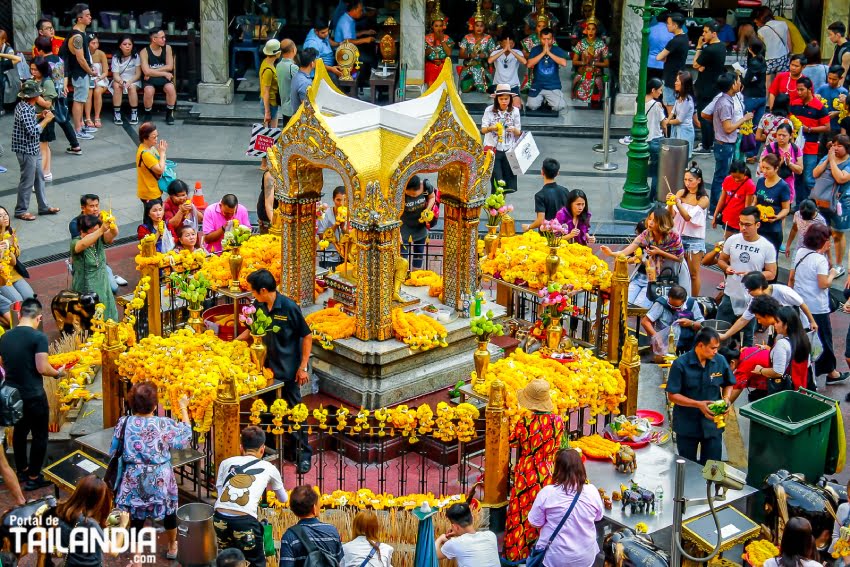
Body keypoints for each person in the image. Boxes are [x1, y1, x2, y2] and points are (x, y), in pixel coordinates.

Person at [239, 270, 313, 473]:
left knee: (294, 413)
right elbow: (250, 328)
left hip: (288, 371)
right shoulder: (258, 305)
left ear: (263, 290)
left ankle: (303, 455)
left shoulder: (288, 307)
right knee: (266, 413)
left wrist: (302, 367)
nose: (253, 296)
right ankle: (269, 450)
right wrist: (234, 344)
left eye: (254, 292)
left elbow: (306, 336)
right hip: (265, 370)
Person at [111, 382, 191, 560]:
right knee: (169, 511)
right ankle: (172, 547)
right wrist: (183, 408)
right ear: (155, 405)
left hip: (134, 478)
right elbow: (184, 438)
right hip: (161, 478)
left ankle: (137, 556)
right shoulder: (164, 424)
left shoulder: (124, 423)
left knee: (135, 516)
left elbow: (113, 450)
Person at [0, 298, 65, 490]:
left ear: (19, 316)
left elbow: (3, 363)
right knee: (39, 435)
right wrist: (58, 373)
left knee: (20, 433)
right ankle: (34, 476)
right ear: (38, 317)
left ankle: (22, 470)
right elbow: (42, 367)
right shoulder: (38, 337)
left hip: (13, 396)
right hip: (34, 395)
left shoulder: (5, 337)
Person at [503, 379, 564, 562]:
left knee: (520, 513)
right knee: (542, 511)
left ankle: (517, 554)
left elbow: (512, 441)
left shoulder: (526, 420)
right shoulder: (558, 421)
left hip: (526, 472)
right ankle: (538, 552)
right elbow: (557, 445)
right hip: (546, 471)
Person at [214, 426, 287, 567]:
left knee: (227, 560)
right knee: (256, 562)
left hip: (219, 517)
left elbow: (219, 492)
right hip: (245, 521)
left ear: (241, 448)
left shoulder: (226, 463)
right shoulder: (270, 468)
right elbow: (283, 499)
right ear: (262, 449)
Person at [789, 223, 850, 384]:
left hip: (801, 303)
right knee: (824, 339)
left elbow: (793, 276)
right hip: (818, 307)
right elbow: (823, 283)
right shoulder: (820, 260)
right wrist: (832, 274)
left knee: (803, 337)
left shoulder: (801, 252)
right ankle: (830, 372)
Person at [666, 327, 734, 464]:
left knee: (712, 466)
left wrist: (726, 399)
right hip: (687, 425)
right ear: (700, 345)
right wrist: (698, 404)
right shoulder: (681, 364)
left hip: (713, 425)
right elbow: (672, 395)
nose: (716, 351)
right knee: (687, 466)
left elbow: (729, 383)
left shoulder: (720, 361)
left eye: (717, 348)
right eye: (712, 348)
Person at [526, 448, 603, 567]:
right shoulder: (592, 491)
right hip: (585, 558)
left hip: (555, 558)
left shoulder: (547, 493)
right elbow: (598, 517)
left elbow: (535, 522)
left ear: (558, 470)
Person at [601, 205, 688, 308]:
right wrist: (612, 253)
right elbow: (630, 248)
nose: (650, 222)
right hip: (651, 273)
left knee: (647, 306)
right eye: (650, 219)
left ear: (662, 223)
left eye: (654, 221)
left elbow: (680, 258)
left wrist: (659, 252)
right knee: (624, 303)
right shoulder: (647, 233)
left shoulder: (673, 235)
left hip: (669, 272)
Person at [716, 206, 778, 346]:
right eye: (741, 223)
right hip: (729, 295)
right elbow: (721, 260)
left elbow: (771, 273)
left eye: (748, 225)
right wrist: (727, 267)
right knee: (720, 331)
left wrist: (753, 275)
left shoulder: (766, 247)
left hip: (751, 299)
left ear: (757, 225)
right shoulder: (733, 240)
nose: (743, 228)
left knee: (747, 337)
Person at [719, 271, 817, 342]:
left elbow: (802, 304)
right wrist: (725, 335)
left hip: (797, 324)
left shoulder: (783, 292)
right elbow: (743, 320)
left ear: (760, 287)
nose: (749, 293)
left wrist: (812, 321)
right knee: (773, 343)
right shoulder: (756, 300)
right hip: (776, 326)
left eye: (750, 290)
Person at [56, 475, 130, 565]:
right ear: (96, 500)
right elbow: (113, 551)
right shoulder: (89, 524)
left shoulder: (62, 509)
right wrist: (122, 525)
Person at [12, 80, 59, 222]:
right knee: (27, 181)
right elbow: (33, 131)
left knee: (39, 177)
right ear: (33, 97)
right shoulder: (26, 109)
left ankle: (43, 207)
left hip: (33, 148)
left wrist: (40, 116)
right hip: (26, 150)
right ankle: (21, 210)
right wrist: (46, 120)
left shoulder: (25, 106)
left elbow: (29, 120)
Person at [710, 73, 754, 213]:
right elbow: (728, 128)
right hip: (724, 145)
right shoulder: (724, 103)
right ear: (732, 85)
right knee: (721, 177)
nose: (739, 83)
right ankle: (714, 208)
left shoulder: (729, 100)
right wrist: (744, 119)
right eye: (737, 81)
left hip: (726, 144)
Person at [32, 36, 81, 156]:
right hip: (60, 94)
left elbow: (43, 79)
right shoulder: (59, 59)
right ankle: (75, 146)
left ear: (39, 50)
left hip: (49, 95)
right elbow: (64, 75)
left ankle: (44, 147)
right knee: (64, 120)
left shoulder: (44, 62)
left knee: (46, 118)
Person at [811, 134, 850, 278]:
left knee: (838, 234)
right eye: (834, 145)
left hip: (841, 203)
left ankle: (839, 265)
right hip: (822, 201)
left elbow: (841, 178)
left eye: (840, 146)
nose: (836, 148)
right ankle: (828, 261)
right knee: (823, 231)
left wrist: (832, 161)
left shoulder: (848, 163)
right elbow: (815, 173)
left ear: (847, 148)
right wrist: (828, 158)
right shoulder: (827, 157)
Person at [668, 163, 709, 295]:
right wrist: (670, 204)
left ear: (698, 180)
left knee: (694, 274)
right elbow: (671, 215)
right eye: (685, 180)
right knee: (677, 271)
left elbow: (687, 217)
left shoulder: (703, 199)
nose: (687, 183)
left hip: (694, 239)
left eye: (690, 180)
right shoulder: (680, 193)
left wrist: (678, 203)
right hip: (678, 236)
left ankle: (695, 300)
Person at [69, 194, 125, 289]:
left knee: (113, 288)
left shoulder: (100, 219)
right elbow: (83, 243)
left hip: (99, 261)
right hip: (84, 263)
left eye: (97, 205)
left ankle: (111, 276)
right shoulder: (75, 223)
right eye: (92, 206)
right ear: (83, 208)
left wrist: (112, 227)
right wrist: (101, 229)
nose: (95, 209)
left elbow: (109, 241)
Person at [279, 485, 344, 567]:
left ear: (293, 510)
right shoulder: (332, 532)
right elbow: (340, 562)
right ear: (314, 507)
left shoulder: (289, 536)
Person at [752, 306, 812, 391]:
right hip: (801, 387)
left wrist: (761, 370)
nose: (775, 325)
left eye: (777, 322)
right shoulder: (803, 339)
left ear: (786, 324)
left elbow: (777, 372)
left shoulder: (782, 344)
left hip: (785, 390)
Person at [71, 214, 118, 320]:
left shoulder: (99, 239)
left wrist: (112, 224)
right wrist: (101, 230)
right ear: (82, 232)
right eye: (94, 231)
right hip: (86, 286)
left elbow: (113, 234)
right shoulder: (76, 242)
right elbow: (82, 245)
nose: (97, 234)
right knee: (90, 319)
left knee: (108, 311)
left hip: (102, 282)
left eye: (97, 230)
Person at [792, 76, 831, 203]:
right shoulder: (794, 103)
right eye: (797, 90)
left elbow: (826, 127)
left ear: (810, 90)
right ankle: (799, 206)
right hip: (796, 147)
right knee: (797, 177)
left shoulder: (819, 107)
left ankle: (813, 205)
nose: (799, 92)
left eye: (802, 90)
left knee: (808, 179)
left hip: (811, 147)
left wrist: (808, 129)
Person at [60, 3, 96, 140]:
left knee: (81, 99)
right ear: (79, 18)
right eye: (87, 16)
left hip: (80, 72)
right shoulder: (77, 37)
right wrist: (90, 71)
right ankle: (78, 129)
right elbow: (80, 59)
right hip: (79, 73)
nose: (90, 17)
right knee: (79, 100)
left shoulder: (80, 33)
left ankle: (80, 124)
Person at [693, 22, 727, 155]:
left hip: (706, 87)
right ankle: (710, 142)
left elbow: (696, 64)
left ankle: (706, 145)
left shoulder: (709, 49)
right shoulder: (721, 47)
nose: (703, 34)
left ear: (714, 33)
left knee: (704, 116)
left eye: (706, 32)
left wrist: (698, 47)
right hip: (714, 86)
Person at [642, 284, 705, 354]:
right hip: (664, 345)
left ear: (684, 302)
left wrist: (690, 323)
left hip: (686, 346)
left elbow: (702, 325)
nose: (673, 308)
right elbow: (645, 322)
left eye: (677, 307)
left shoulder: (692, 304)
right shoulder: (662, 303)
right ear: (668, 297)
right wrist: (656, 336)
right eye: (671, 305)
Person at [482, 85, 521, 193]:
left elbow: (519, 132)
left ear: (510, 99)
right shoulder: (489, 110)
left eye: (506, 99)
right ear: (497, 99)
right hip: (493, 150)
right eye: (501, 99)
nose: (504, 101)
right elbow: (483, 129)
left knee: (507, 185)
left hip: (509, 150)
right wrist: (492, 128)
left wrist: (513, 129)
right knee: (497, 182)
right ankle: (496, 207)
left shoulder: (515, 111)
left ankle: (501, 207)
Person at [755, 153, 792, 253]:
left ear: (776, 169)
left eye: (768, 168)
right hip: (758, 226)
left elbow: (786, 209)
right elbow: (755, 201)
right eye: (763, 167)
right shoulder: (760, 181)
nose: (764, 171)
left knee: (770, 260)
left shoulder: (783, 186)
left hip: (773, 230)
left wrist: (777, 217)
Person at [761, 123, 803, 209]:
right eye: (779, 135)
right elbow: (762, 166)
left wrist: (789, 163)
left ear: (790, 136)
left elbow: (800, 170)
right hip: (770, 184)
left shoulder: (795, 149)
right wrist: (780, 162)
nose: (781, 138)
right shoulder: (771, 147)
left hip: (787, 186)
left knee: (784, 211)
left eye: (784, 135)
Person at [140, 28, 176, 124]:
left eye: (164, 37)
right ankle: (148, 113)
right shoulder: (144, 51)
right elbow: (146, 71)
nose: (164, 39)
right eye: (162, 38)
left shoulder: (167, 48)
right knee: (148, 91)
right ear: (154, 39)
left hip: (162, 78)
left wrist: (152, 71)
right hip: (150, 79)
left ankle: (169, 113)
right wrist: (164, 73)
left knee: (171, 88)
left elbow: (170, 66)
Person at [526, 28, 567, 112]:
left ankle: (548, 103)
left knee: (559, 107)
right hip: (537, 85)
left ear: (552, 39)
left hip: (553, 85)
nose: (546, 41)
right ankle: (540, 101)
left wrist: (549, 53)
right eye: (544, 39)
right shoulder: (535, 49)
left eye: (548, 39)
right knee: (532, 106)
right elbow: (529, 64)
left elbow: (564, 63)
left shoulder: (557, 49)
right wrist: (543, 53)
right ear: (540, 39)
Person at [29, 57, 56, 182]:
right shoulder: (33, 80)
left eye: (36, 69)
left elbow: (48, 104)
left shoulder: (47, 82)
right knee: (45, 147)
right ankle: (47, 172)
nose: (33, 72)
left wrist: (35, 95)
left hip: (45, 116)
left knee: (42, 148)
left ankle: (39, 178)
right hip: (36, 116)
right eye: (31, 69)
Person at [657, 12, 690, 115]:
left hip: (670, 77)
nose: (667, 25)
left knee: (670, 107)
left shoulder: (675, 41)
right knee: (676, 107)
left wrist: (665, 57)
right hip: (679, 76)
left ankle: (671, 130)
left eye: (669, 23)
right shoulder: (685, 38)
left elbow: (659, 57)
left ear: (675, 25)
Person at [713, 160, 756, 239]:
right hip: (727, 219)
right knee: (726, 242)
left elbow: (747, 207)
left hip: (739, 222)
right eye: (734, 177)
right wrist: (715, 216)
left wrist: (745, 223)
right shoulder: (727, 179)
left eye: (739, 177)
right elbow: (722, 200)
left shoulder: (749, 184)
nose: (736, 180)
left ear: (744, 172)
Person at [523, 158, 568, 231]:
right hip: (562, 233)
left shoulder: (540, 195)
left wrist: (528, 227)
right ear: (557, 173)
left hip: (547, 235)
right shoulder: (565, 191)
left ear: (542, 172)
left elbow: (540, 220)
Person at [399, 176, 435, 269]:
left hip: (420, 225)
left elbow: (432, 197)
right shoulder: (399, 191)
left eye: (415, 193)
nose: (413, 195)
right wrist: (397, 232)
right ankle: (403, 274)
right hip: (404, 226)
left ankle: (416, 273)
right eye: (410, 193)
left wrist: (427, 210)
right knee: (403, 252)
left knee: (419, 251)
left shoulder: (426, 186)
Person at [0, 207, 34, 304]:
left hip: (13, 273)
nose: (5, 217)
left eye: (6, 214)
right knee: (17, 301)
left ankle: (30, 319)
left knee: (30, 298)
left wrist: (9, 247)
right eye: (0, 216)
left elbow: (14, 260)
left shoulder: (11, 231)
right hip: (2, 277)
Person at [571, 18, 608, 104]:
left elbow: (606, 63)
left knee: (597, 82)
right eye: (589, 29)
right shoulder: (581, 43)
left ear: (596, 31)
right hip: (583, 69)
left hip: (596, 71)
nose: (591, 31)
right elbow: (574, 61)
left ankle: (595, 98)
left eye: (593, 29)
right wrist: (584, 63)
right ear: (585, 30)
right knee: (578, 80)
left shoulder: (601, 44)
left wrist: (594, 63)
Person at [459, 9, 496, 93]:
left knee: (486, 89)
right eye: (477, 25)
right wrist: (469, 55)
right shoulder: (467, 37)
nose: (479, 28)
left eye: (481, 26)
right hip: (469, 67)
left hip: (483, 67)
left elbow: (494, 54)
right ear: (473, 26)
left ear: (484, 27)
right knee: (464, 89)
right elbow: (460, 54)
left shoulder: (488, 38)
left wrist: (485, 55)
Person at [754, 6, 791, 87]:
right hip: (783, 58)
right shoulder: (784, 24)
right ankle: (781, 99)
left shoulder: (760, 31)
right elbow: (789, 45)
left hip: (769, 60)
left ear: (761, 17)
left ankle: (769, 99)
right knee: (781, 84)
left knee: (769, 85)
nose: (754, 21)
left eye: (756, 18)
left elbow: (761, 49)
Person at [135, 122, 168, 215]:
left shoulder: (150, 148)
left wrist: (162, 154)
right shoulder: (145, 153)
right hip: (150, 192)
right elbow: (160, 169)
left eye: (157, 136)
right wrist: (162, 153)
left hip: (152, 189)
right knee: (154, 217)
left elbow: (160, 161)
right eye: (153, 137)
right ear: (145, 138)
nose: (156, 140)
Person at [110, 36, 141, 125]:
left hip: (133, 80)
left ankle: (134, 113)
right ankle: (117, 113)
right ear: (120, 46)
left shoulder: (136, 57)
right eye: (124, 44)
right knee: (117, 86)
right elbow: (115, 75)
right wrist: (121, 82)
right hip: (119, 80)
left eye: (129, 44)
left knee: (131, 87)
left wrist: (129, 82)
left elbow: (138, 74)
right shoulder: (116, 57)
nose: (127, 46)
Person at [488, 31, 525, 106]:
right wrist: (504, 50)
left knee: (517, 106)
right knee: (501, 105)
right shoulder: (495, 53)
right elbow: (489, 61)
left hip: (513, 86)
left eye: (510, 44)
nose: (508, 45)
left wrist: (510, 50)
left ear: (514, 44)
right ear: (501, 44)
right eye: (505, 43)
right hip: (499, 85)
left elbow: (524, 61)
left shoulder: (518, 52)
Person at [316, 186, 348, 269]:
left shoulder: (351, 214)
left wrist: (343, 228)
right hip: (329, 257)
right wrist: (336, 225)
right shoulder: (324, 214)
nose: (341, 203)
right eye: (338, 200)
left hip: (346, 257)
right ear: (333, 199)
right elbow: (321, 237)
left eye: (345, 200)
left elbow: (352, 237)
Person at [667, 71, 695, 158]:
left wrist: (667, 122)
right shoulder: (679, 97)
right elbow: (673, 111)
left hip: (684, 132)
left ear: (684, 84)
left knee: (682, 156)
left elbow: (679, 120)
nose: (675, 83)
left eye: (678, 81)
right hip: (677, 129)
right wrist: (668, 119)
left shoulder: (687, 101)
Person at [742, 38, 767, 135]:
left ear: (750, 49)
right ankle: (754, 149)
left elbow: (746, 81)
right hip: (762, 95)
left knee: (744, 123)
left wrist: (739, 74)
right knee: (757, 127)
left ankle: (745, 147)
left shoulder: (753, 63)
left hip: (751, 96)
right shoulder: (762, 60)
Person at [425, 10, 456, 88]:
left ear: (443, 27)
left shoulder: (447, 39)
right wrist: (434, 43)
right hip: (431, 66)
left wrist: (442, 40)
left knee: (443, 89)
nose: (438, 28)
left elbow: (449, 53)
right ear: (432, 27)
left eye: (440, 26)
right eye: (436, 26)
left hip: (443, 66)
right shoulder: (426, 38)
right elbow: (424, 54)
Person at [84, 34, 108, 129]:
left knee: (97, 91)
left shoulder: (101, 54)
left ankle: (97, 117)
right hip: (88, 79)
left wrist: (98, 79)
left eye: (97, 43)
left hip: (100, 79)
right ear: (88, 44)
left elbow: (105, 72)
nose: (95, 45)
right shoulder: (84, 54)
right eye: (93, 43)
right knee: (89, 92)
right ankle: (88, 117)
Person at [817, 66, 849, 137]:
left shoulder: (843, 92)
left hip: (836, 127)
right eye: (829, 78)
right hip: (822, 125)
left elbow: (847, 111)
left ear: (840, 78)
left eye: (834, 79)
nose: (831, 81)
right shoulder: (822, 88)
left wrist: (837, 113)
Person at [275, 39, 298, 126]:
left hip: (284, 106)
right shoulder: (293, 68)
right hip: (293, 108)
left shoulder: (279, 65)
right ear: (293, 50)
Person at [828, 22, 850, 88]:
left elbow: (843, 75)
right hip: (832, 82)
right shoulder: (837, 45)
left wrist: (838, 92)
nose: (829, 37)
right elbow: (830, 64)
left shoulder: (847, 53)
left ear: (837, 35)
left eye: (830, 34)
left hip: (841, 86)